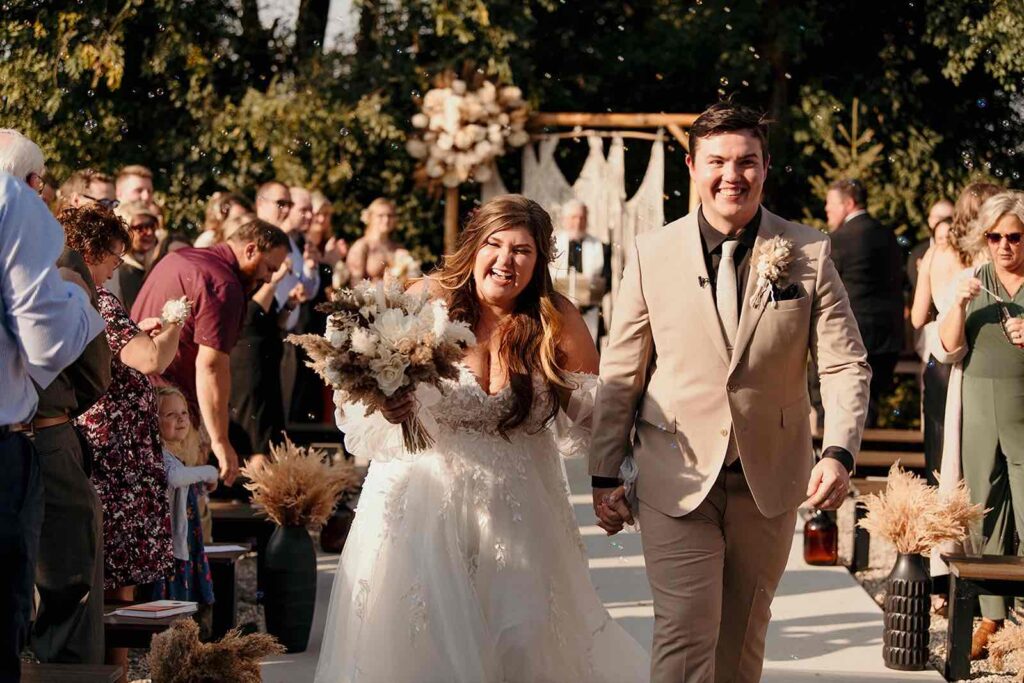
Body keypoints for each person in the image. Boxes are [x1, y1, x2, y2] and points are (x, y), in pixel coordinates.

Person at [314, 195, 648, 682]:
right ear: (473, 246)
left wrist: (616, 480)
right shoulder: (425, 301)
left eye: (522, 250)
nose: (506, 260)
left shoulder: (554, 318)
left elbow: (601, 413)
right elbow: (361, 389)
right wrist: (387, 405)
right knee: (425, 646)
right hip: (423, 503)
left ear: (540, 260)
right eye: (494, 244)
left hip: (521, 508)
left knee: (525, 638)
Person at [590, 102, 871, 683]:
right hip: (675, 473)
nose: (732, 175)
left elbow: (844, 363)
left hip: (769, 477)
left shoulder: (809, 251)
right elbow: (622, 369)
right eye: (717, 161)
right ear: (693, 167)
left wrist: (839, 451)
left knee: (741, 639)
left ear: (765, 167)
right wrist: (603, 471)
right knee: (685, 630)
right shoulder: (651, 253)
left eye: (746, 161)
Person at [0, 159, 106, 678]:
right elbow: (67, 358)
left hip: (33, 433)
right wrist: (80, 301)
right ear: (33, 182)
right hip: (31, 437)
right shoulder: (19, 212)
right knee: (67, 585)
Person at [131, 217, 290, 487]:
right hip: (172, 413)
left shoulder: (177, 258)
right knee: (180, 507)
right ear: (250, 249)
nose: (268, 278)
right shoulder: (223, 284)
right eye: (268, 268)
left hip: (135, 399)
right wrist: (220, 440)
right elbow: (212, 366)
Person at [939, 191, 1024, 658]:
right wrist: (956, 305)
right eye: (995, 237)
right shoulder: (973, 279)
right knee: (982, 509)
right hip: (977, 403)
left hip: (1022, 408)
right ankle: (992, 617)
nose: (1004, 246)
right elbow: (948, 348)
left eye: (1014, 237)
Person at [912, 184, 1001, 485]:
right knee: (974, 462)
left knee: (939, 457)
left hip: (938, 360)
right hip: (973, 358)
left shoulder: (934, 253)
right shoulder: (986, 258)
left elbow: (917, 317)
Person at [826, 178, 904, 426]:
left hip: (854, 336)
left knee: (851, 412)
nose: (827, 209)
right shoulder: (888, 235)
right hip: (889, 337)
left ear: (848, 203)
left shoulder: (840, 240)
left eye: (831, 203)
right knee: (871, 403)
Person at [147, 386, 218, 605]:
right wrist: (209, 471)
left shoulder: (177, 457)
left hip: (185, 541)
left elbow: (184, 491)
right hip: (169, 548)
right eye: (170, 414)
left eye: (184, 412)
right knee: (172, 599)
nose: (181, 419)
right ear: (154, 421)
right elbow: (175, 478)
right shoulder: (160, 455)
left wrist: (201, 486)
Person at [276, 186, 321, 421]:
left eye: (311, 210)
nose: (310, 216)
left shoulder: (297, 244)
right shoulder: (275, 240)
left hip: (289, 331)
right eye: (304, 210)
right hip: (272, 330)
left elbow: (308, 292)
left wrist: (311, 269)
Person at [550, 199, 612, 343]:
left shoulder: (601, 247)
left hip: (589, 312)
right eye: (573, 217)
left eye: (582, 218)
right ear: (564, 219)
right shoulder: (551, 245)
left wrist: (588, 296)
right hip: (557, 310)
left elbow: (607, 280)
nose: (578, 222)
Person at [105, 201, 160, 310]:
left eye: (152, 225)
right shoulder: (119, 272)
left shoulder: (156, 263)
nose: (149, 232)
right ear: (124, 232)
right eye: (140, 228)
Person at [345, 197, 403, 284]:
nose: (386, 220)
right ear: (370, 218)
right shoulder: (362, 246)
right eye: (381, 215)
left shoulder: (397, 247)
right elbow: (355, 284)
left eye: (390, 215)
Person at [908, 199, 955, 290]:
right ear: (929, 220)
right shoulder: (917, 254)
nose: (943, 223)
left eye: (949, 219)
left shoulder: (966, 250)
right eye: (939, 218)